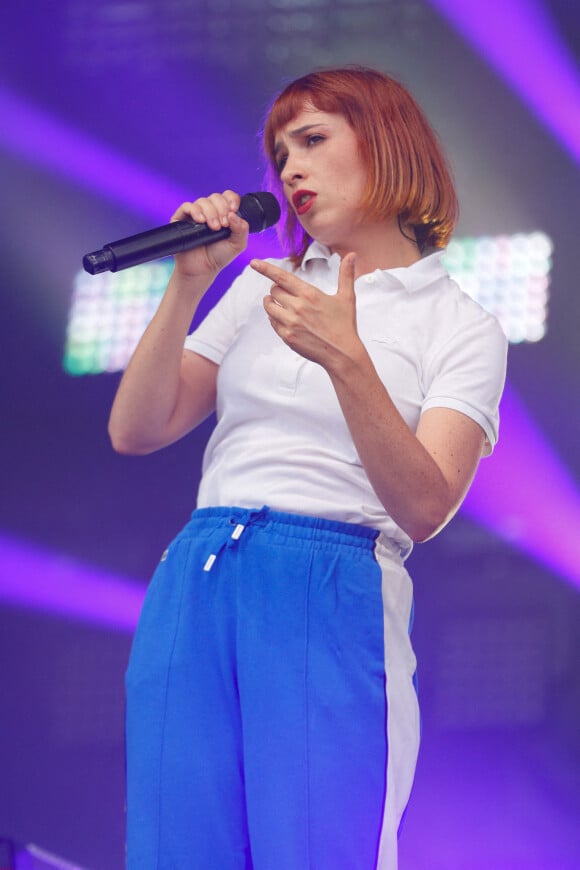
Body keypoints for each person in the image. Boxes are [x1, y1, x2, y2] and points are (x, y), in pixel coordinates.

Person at [109, 66, 507, 869]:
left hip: (332, 577)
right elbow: (137, 428)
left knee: (319, 845)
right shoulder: (265, 288)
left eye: (314, 140)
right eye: (279, 151)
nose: (288, 170)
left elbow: (428, 505)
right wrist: (189, 284)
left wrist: (348, 360)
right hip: (203, 564)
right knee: (175, 845)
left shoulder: (459, 324)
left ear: (387, 144)